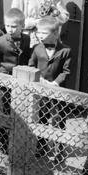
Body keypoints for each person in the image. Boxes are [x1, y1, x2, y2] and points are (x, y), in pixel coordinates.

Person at [0, 8, 32, 154]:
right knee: (3, 114)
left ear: (22, 26)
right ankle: (4, 147)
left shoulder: (27, 40)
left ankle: (18, 144)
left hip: (21, 85)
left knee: (20, 114)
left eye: (14, 26)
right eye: (8, 26)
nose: (10, 29)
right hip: (3, 86)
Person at [29, 15, 72, 161]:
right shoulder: (36, 49)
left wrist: (56, 83)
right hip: (41, 91)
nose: (39, 35)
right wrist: (38, 79)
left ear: (55, 34)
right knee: (42, 118)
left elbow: (67, 71)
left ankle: (59, 151)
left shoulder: (66, 51)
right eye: (38, 32)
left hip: (58, 92)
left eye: (43, 33)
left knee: (59, 121)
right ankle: (41, 147)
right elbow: (31, 66)